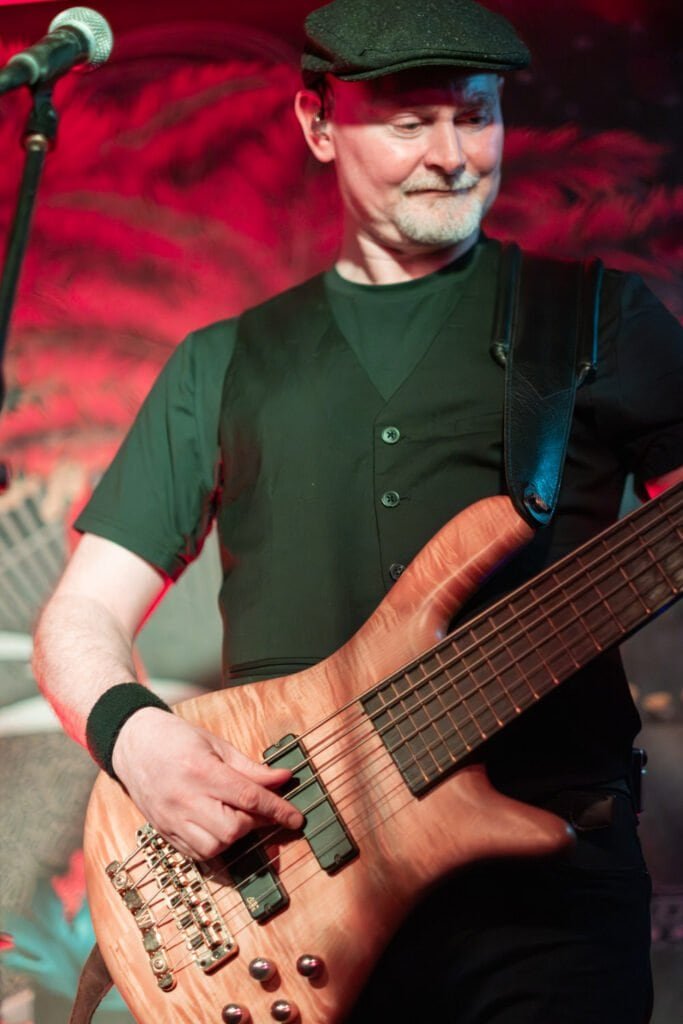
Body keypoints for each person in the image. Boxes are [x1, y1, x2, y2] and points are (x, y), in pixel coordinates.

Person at [33, 0, 683, 1021]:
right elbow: (78, 619)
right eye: (407, 122)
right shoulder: (223, 361)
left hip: (543, 904)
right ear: (318, 124)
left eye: (474, 115)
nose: (451, 156)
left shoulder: (598, 315)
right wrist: (137, 740)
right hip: (282, 892)